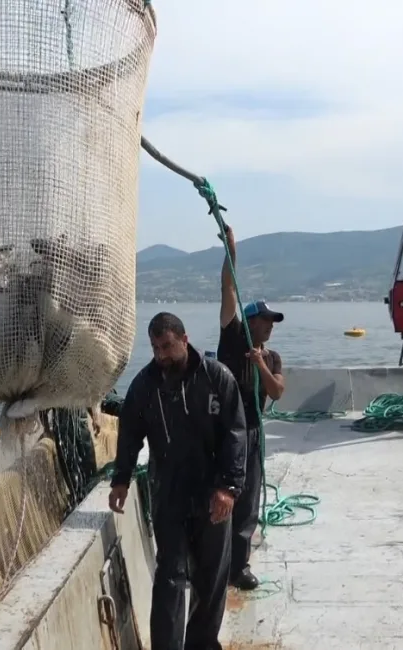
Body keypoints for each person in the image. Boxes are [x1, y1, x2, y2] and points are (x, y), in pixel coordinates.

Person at [108, 312, 247, 650]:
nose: (161, 355)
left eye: (167, 346)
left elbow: (236, 434)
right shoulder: (145, 385)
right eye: (155, 348)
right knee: (170, 577)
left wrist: (229, 488)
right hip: (169, 493)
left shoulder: (218, 378)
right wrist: (121, 479)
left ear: (185, 340)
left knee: (211, 578)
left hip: (213, 491)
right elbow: (130, 434)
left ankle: (201, 644)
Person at [216, 224, 286, 592]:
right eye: (266, 320)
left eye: (274, 322)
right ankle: (215, 561)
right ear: (252, 320)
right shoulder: (232, 338)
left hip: (254, 433)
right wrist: (231, 253)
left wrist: (260, 364)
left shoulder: (272, 357)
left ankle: (238, 565)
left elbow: (277, 392)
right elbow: (228, 288)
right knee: (223, 493)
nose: (271, 326)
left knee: (249, 501)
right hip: (228, 431)